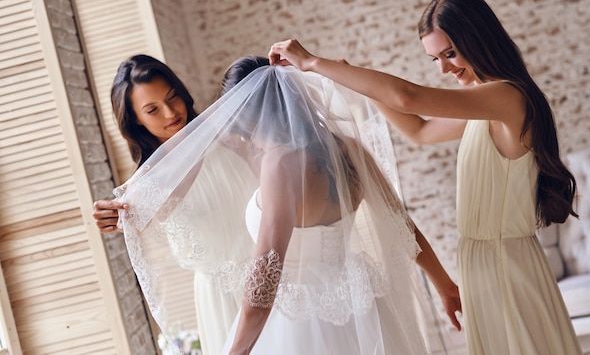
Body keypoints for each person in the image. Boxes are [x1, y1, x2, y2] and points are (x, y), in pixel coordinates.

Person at [268, 0, 583, 355]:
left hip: (507, 267)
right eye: (435, 58)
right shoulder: (485, 108)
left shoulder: (509, 98)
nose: (445, 68)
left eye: (450, 53)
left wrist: (313, 62)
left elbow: (408, 97)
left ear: (479, 40)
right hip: (483, 265)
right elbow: (417, 129)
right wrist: (353, 80)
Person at [112, 55, 462, 354]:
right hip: (362, 299)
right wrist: (445, 285)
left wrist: (237, 349)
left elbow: (266, 272)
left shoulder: (279, 164)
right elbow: (403, 226)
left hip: (300, 316)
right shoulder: (349, 147)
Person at [91, 54, 257, 355]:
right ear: (136, 120)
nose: (170, 113)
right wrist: (111, 217)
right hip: (222, 300)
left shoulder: (229, 134)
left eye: (173, 98)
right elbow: (133, 214)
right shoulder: (148, 182)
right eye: (152, 109)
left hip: (273, 274)